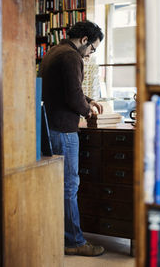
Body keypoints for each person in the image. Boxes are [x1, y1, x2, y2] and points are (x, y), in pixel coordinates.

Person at [40, 20, 104, 256]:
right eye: (92, 49)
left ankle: (57, 236)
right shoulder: (71, 56)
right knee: (69, 187)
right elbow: (72, 95)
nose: (90, 54)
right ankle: (75, 242)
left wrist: (88, 100)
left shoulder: (54, 51)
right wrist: (88, 109)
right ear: (85, 40)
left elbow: (66, 88)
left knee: (56, 186)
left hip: (50, 128)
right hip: (64, 131)